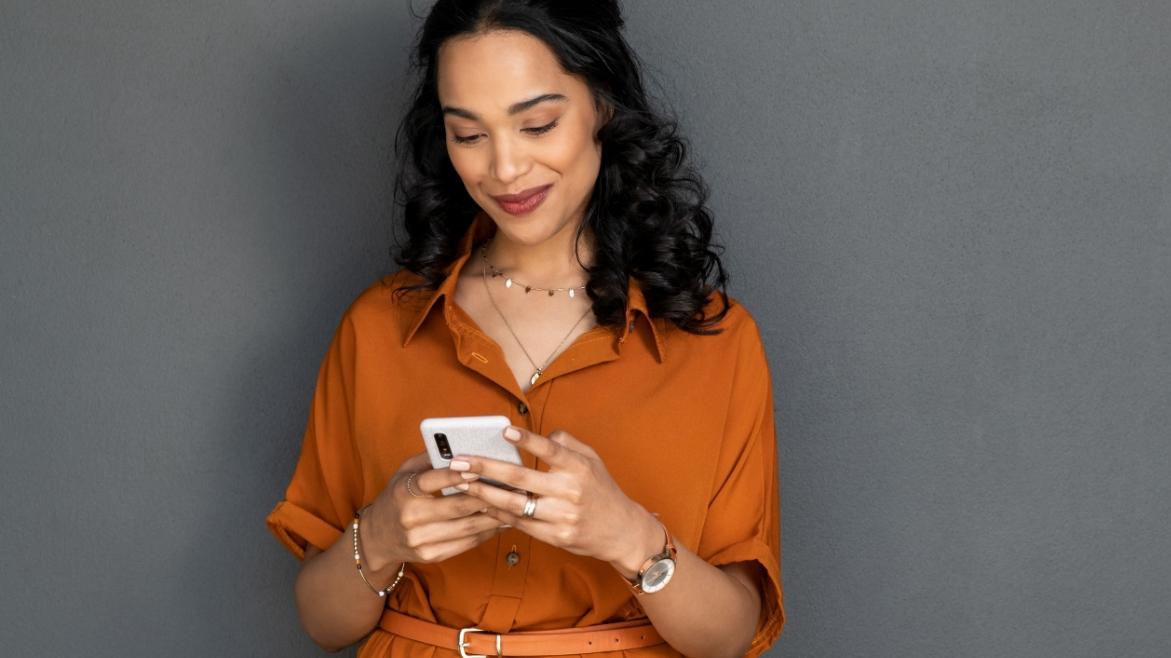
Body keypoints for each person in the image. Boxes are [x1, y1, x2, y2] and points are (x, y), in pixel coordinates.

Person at [264, 1, 784, 656]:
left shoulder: (717, 343)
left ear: (603, 105)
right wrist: (385, 536)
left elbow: (730, 637)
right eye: (469, 135)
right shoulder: (378, 327)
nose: (504, 169)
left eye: (537, 124)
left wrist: (628, 535)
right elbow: (322, 622)